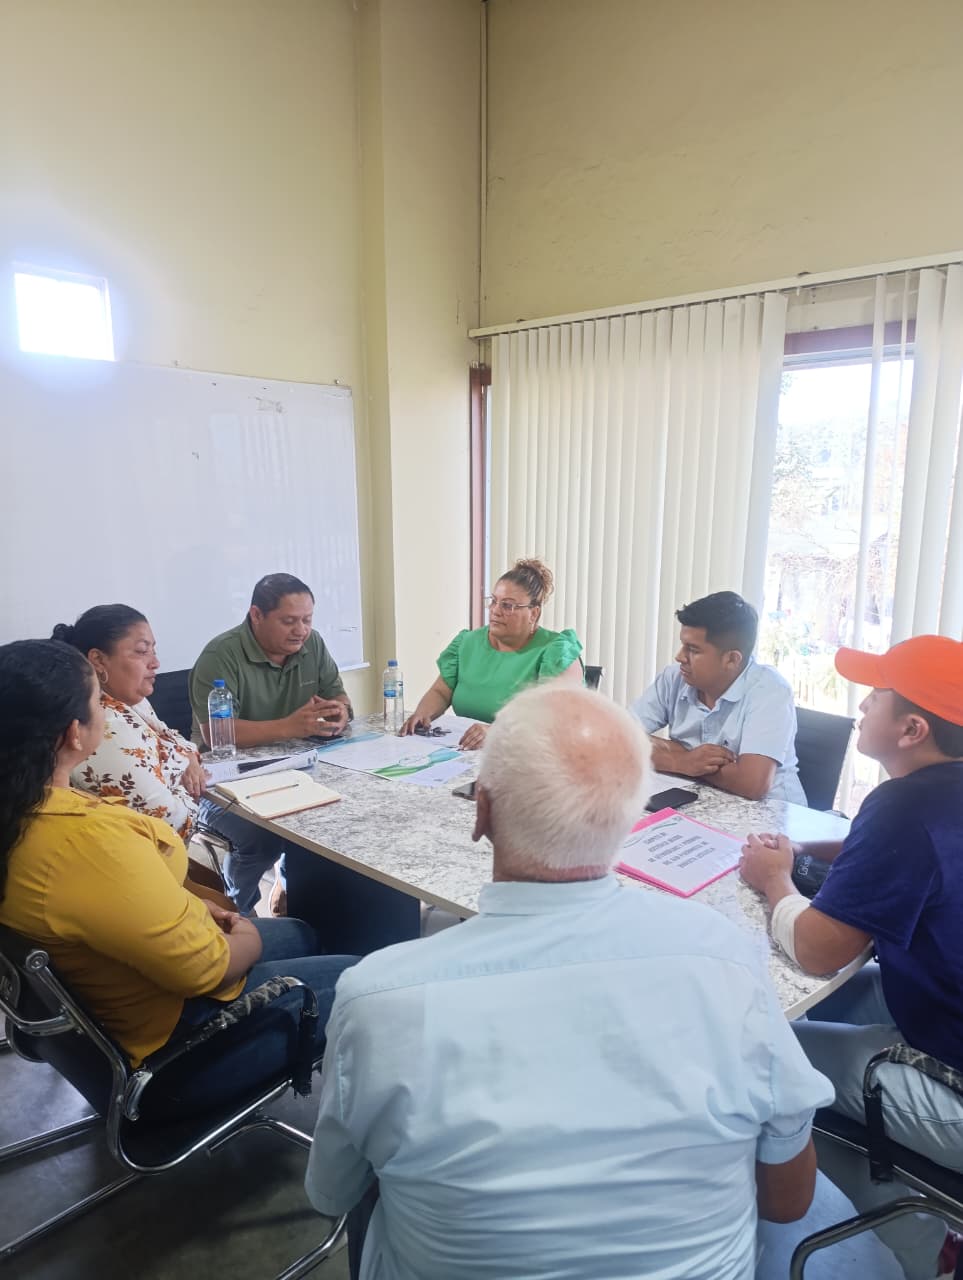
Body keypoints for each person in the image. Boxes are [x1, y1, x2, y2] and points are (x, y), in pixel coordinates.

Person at [305, 683, 833, 1280]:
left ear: (482, 812)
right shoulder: (727, 959)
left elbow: (333, 1191)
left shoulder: (377, 999)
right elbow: (787, 1200)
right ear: (633, 817)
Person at [0, 639, 356, 1116]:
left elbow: (109, 904)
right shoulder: (87, 842)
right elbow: (206, 968)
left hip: (106, 1018)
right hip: (172, 1061)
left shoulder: (25, 811)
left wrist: (189, 908)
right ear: (73, 734)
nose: (108, 713)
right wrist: (244, 932)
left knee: (301, 933)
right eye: (98, 703)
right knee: (366, 981)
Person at [739, 635, 963, 1280]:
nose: (861, 707)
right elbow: (920, 848)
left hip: (953, 1074)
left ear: (912, 729)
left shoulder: (905, 805)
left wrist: (775, 880)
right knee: (816, 1013)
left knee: (768, 1063)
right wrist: (819, 850)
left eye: (876, 697)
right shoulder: (937, 793)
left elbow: (818, 949)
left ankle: (932, 1253)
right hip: (939, 1004)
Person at [190, 573, 352, 915]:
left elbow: (338, 696)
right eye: (289, 621)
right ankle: (238, 911)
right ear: (256, 615)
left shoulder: (313, 644)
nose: (301, 630)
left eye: (307, 620)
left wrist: (339, 712)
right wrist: (289, 726)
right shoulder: (221, 654)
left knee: (340, 812)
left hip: (295, 766)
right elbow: (216, 735)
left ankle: (297, 895)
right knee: (262, 837)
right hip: (223, 778)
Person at [630, 590, 805, 803]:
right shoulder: (674, 678)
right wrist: (682, 761)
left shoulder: (770, 691)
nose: (680, 657)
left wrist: (676, 755)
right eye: (683, 645)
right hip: (700, 800)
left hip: (772, 814)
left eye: (693, 650)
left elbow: (752, 784)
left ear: (731, 659)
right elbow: (616, 737)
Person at [52, 604, 204, 842]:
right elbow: (171, 822)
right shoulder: (101, 725)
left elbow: (173, 737)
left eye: (153, 650)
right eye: (142, 651)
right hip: (140, 850)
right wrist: (187, 780)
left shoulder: (131, 700)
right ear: (98, 660)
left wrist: (187, 760)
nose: (155, 662)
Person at [402, 558, 582, 750]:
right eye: (494, 601)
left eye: (508, 605)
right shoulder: (467, 643)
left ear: (534, 613)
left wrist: (496, 731)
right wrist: (423, 714)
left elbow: (553, 717)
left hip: (532, 755)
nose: (495, 611)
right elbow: (441, 691)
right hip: (469, 753)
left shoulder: (557, 652)